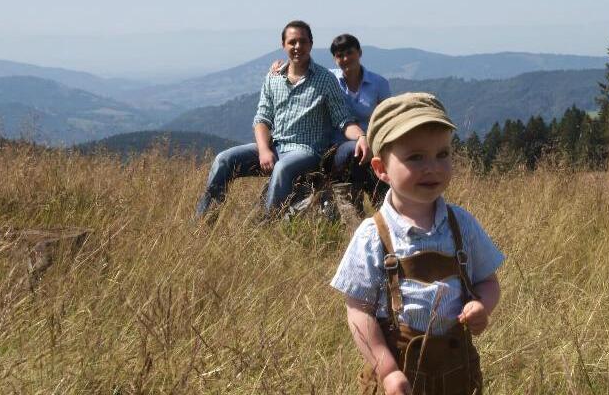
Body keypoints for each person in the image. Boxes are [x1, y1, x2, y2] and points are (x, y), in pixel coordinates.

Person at [331, 93, 504, 394]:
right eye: (415, 157)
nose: (432, 167)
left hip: (458, 371)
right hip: (399, 375)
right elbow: (358, 311)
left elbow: (488, 281)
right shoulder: (373, 235)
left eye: (442, 154)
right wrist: (385, 370)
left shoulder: (461, 225)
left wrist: (481, 305)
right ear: (380, 169)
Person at [195, 20, 369, 220]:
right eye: (292, 42)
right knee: (224, 159)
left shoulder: (325, 79)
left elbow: (343, 120)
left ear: (311, 45)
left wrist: (361, 136)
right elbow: (262, 118)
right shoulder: (273, 78)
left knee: (282, 168)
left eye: (302, 42)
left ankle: (266, 227)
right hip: (275, 147)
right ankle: (203, 222)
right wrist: (263, 150)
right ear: (283, 45)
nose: (297, 47)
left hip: (307, 151)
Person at [270, 33, 391, 211]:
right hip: (335, 148)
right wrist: (280, 67)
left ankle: (381, 209)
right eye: (339, 55)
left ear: (359, 53)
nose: (345, 58)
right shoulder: (329, 78)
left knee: (374, 163)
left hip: (370, 145)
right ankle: (356, 205)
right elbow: (303, 71)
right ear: (334, 59)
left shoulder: (378, 83)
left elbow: (387, 119)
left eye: (349, 53)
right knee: (354, 150)